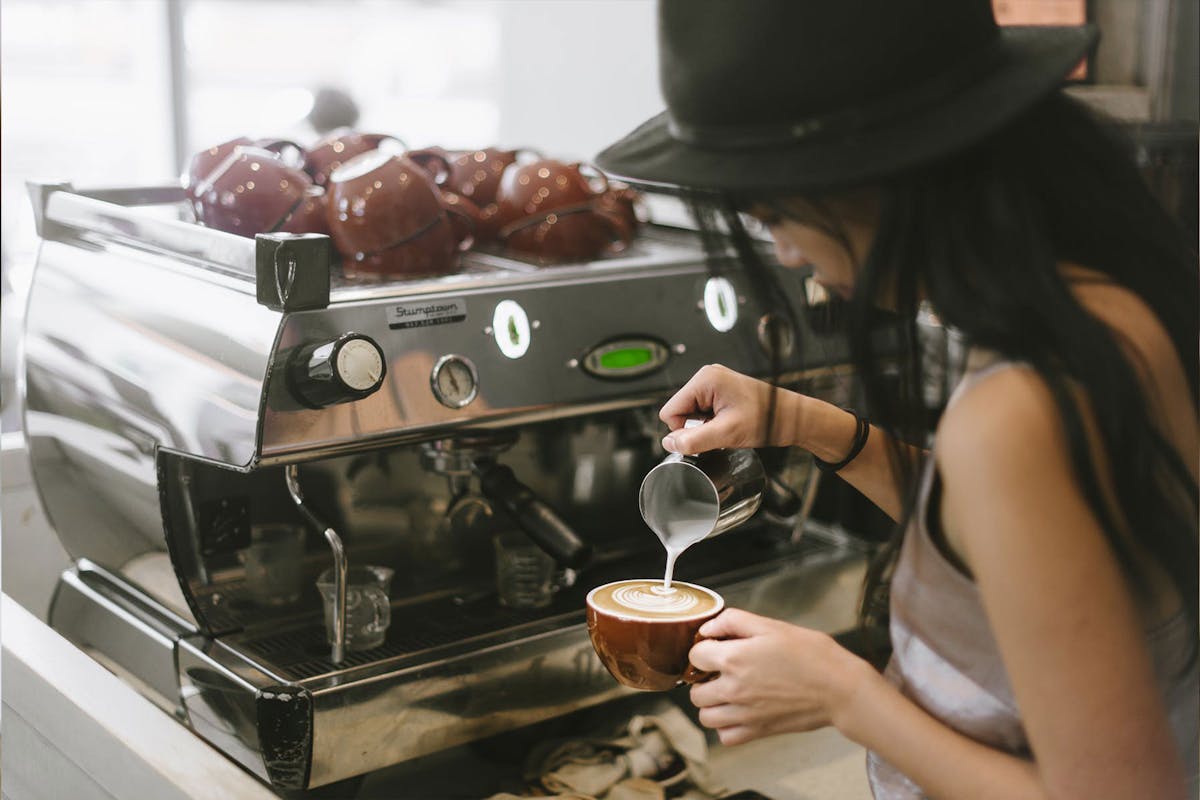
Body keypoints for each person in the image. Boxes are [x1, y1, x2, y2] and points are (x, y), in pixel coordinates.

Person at [595, 2, 1198, 798]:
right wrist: (802, 423)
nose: (782, 250)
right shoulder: (1108, 303)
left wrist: (844, 695)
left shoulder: (1017, 409)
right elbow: (1016, 549)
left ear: (877, 175)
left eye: (778, 211)